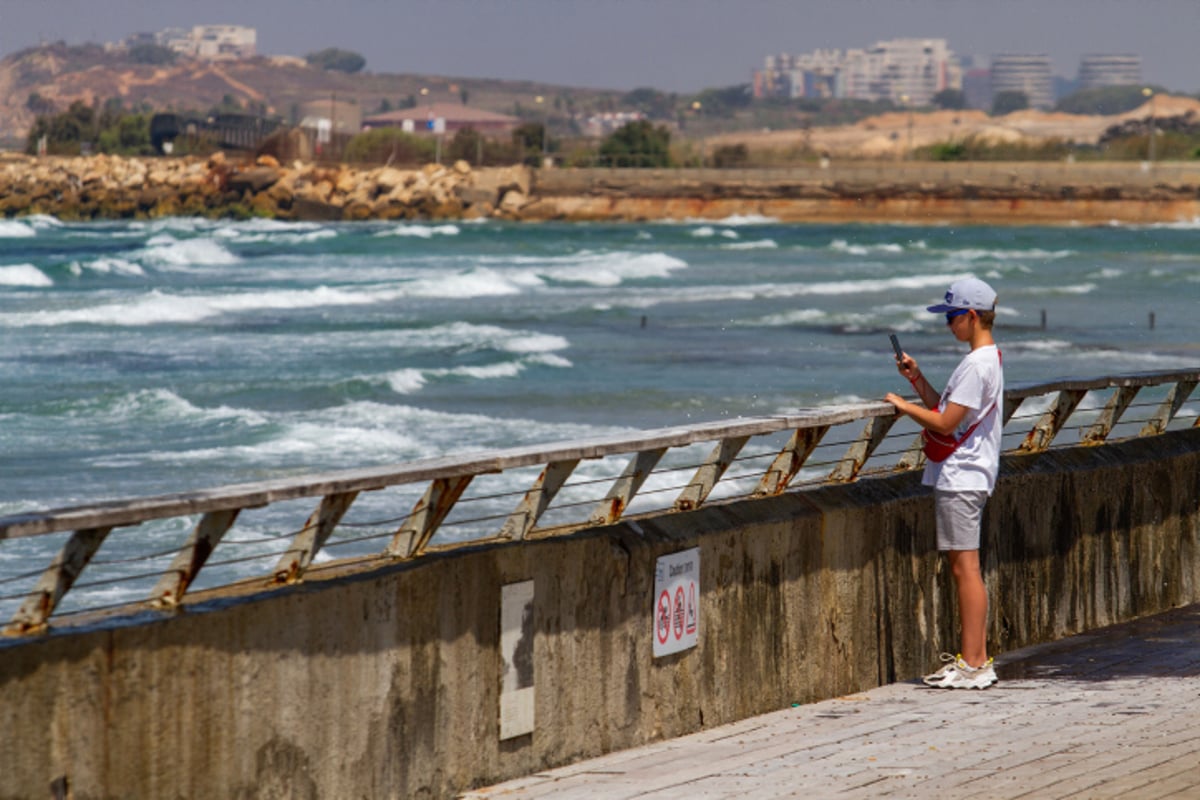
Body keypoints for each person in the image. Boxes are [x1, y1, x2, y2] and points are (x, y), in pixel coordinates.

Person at [884, 277, 1003, 690]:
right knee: (964, 567)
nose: (949, 325)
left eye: (952, 317)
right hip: (972, 472)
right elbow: (948, 408)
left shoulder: (975, 364)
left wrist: (904, 407)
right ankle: (975, 660)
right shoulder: (989, 359)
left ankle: (974, 663)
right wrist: (916, 382)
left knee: (965, 568)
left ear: (971, 316)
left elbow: (946, 422)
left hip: (962, 476)